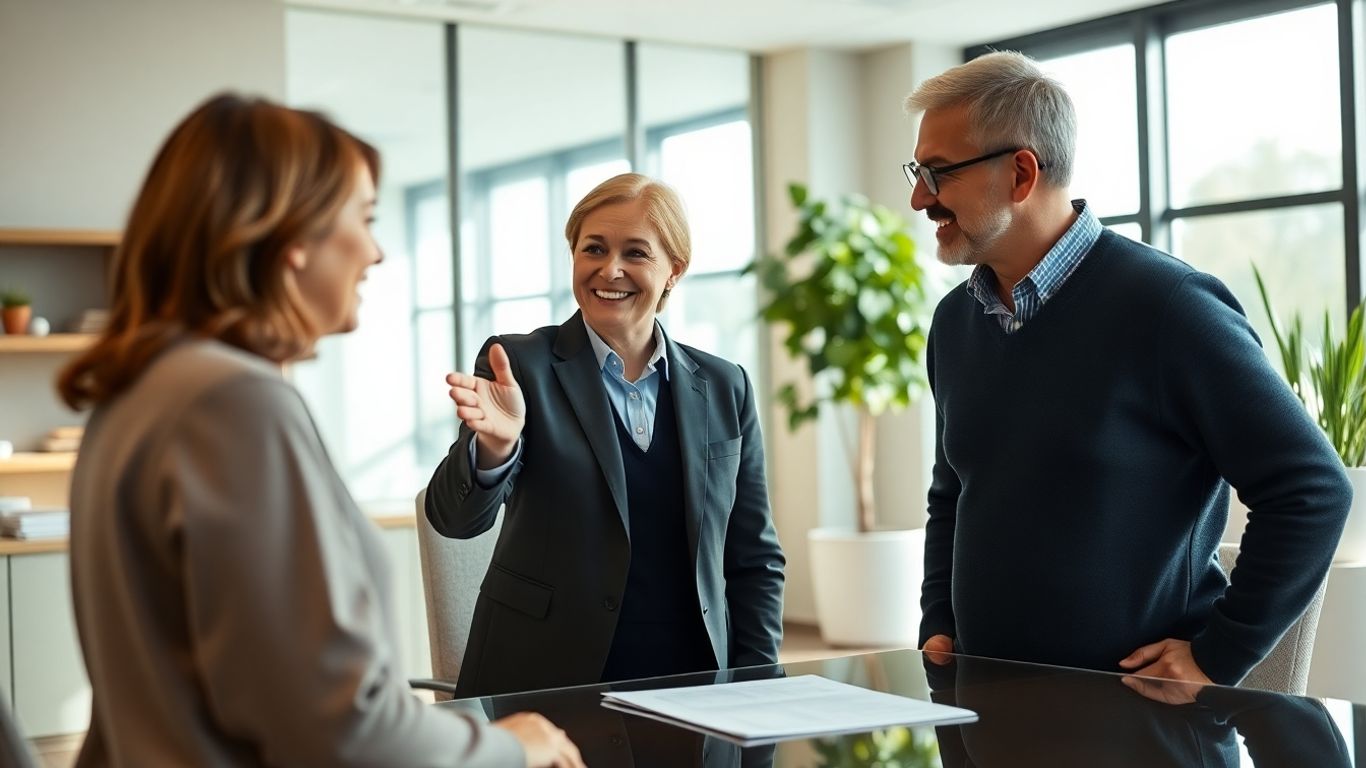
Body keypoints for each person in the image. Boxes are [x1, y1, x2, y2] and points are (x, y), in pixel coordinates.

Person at [56, 93, 582, 768]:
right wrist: (511, 746)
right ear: (292, 237)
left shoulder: (138, 393)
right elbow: (342, 731)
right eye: (364, 218)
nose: (376, 252)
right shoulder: (235, 404)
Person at [905, 51, 1351, 687]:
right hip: (988, 706)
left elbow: (1312, 488)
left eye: (937, 173)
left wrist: (1218, 654)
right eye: (917, 172)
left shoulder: (1171, 308)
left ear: (1021, 173)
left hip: (1137, 717)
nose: (919, 197)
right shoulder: (955, 322)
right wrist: (939, 617)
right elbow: (952, 491)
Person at [425, 172, 785, 697]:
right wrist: (495, 449)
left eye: (635, 253)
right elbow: (454, 520)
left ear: (674, 270)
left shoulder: (725, 385)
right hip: (546, 684)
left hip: (694, 685)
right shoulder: (518, 366)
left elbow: (754, 558)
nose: (609, 269)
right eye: (593, 248)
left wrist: (758, 686)